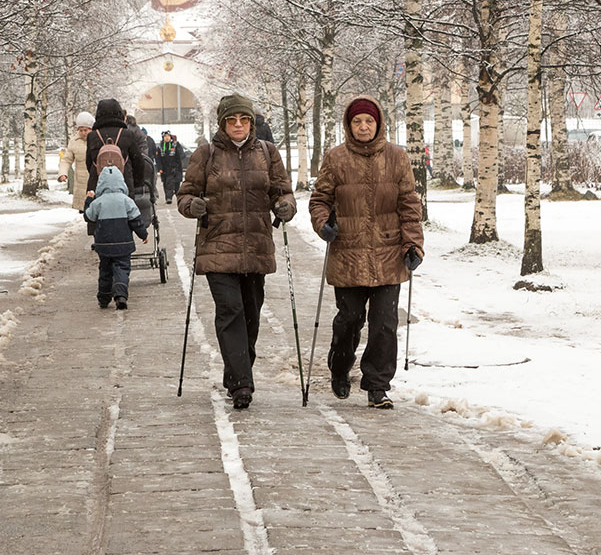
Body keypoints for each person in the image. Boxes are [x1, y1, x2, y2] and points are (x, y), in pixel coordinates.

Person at [177, 93, 295, 410]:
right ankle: (243, 383)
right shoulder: (206, 154)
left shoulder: (268, 153)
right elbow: (184, 196)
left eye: (244, 120)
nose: (238, 125)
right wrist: (193, 206)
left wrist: (285, 207)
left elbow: (283, 192)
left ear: (251, 122)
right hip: (218, 246)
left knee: (251, 317)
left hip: (256, 247)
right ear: (223, 124)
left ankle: (236, 373)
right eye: (232, 120)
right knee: (231, 312)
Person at [309, 96, 424, 409]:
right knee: (349, 320)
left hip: (389, 253)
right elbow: (319, 200)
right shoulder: (335, 158)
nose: (363, 126)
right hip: (348, 252)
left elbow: (409, 205)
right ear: (349, 125)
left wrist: (413, 244)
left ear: (379, 124)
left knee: (385, 324)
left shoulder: (396, 157)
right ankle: (340, 365)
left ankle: (377, 384)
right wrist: (324, 225)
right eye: (357, 121)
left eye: (368, 121)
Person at [83, 164, 149, 310]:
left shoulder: (98, 202)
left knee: (105, 270)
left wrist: (88, 200)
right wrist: (143, 234)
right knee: (122, 268)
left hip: (104, 243)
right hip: (123, 243)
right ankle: (120, 295)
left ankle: (104, 298)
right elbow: (136, 221)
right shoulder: (126, 201)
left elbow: (88, 217)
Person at [86, 99, 154, 202]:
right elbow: (138, 161)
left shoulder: (92, 136)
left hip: (98, 185)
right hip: (124, 184)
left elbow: (89, 162)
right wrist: (135, 182)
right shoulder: (127, 134)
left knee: (99, 213)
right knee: (125, 213)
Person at [57, 111, 93, 210]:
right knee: (84, 210)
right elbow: (67, 160)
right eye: (80, 130)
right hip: (81, 183)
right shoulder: (74, 141)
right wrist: (62, 173)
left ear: (91, 128)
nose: (83, 133)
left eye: (85, 130)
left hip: (95, 180)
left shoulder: (97, 139)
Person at [157, 131, 187, 204]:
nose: (167, 138)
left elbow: (181, 156)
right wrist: (160, 168)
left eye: (168, 136)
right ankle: (168, 197)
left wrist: (178, 166)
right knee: (166, 183)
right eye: (165, 136)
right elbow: (158, 159)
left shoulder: (175, 145)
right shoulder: (160, 147)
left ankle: (176, 195)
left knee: (176, 183)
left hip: (175, 168)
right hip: (165, 169)